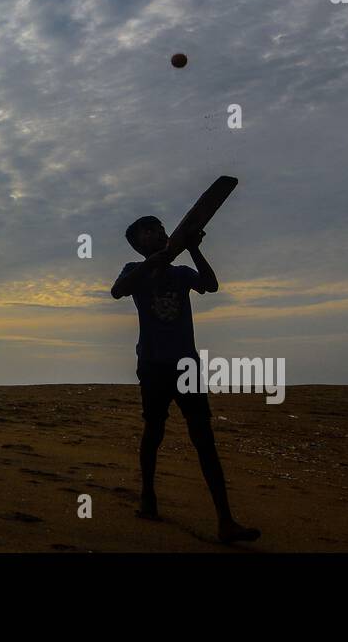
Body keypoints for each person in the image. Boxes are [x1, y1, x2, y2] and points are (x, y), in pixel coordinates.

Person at [111, 215, 260, 544]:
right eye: (150, 231)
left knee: (204, 438)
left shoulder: (180, 274)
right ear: (138, 244)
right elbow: (118, 291)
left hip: (186, 366)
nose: (160, 233)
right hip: (152, 366)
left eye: (161, 228)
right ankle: (147, 496)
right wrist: (152, 262)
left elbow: (210, 284)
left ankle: (225, 520)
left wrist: (193, 249)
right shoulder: (132, 270)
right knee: (154, 431)